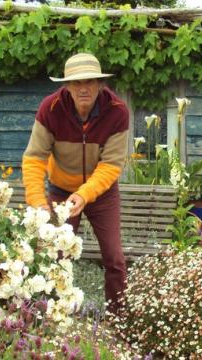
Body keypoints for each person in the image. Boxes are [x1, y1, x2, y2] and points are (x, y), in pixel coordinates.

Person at [22, 52, 129, 313]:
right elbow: (34, 159)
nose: (84, 88)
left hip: (101, 193)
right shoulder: (50, 109)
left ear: (100, 84)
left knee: (114, 258)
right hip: (60, 190)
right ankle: (52, 314)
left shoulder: (117, 112)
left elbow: (111, 165)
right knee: (54, 254)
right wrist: (38, 203)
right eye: (77, 82)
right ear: (67, 85)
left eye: (90, 81)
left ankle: (119, 318)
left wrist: (85, 194)